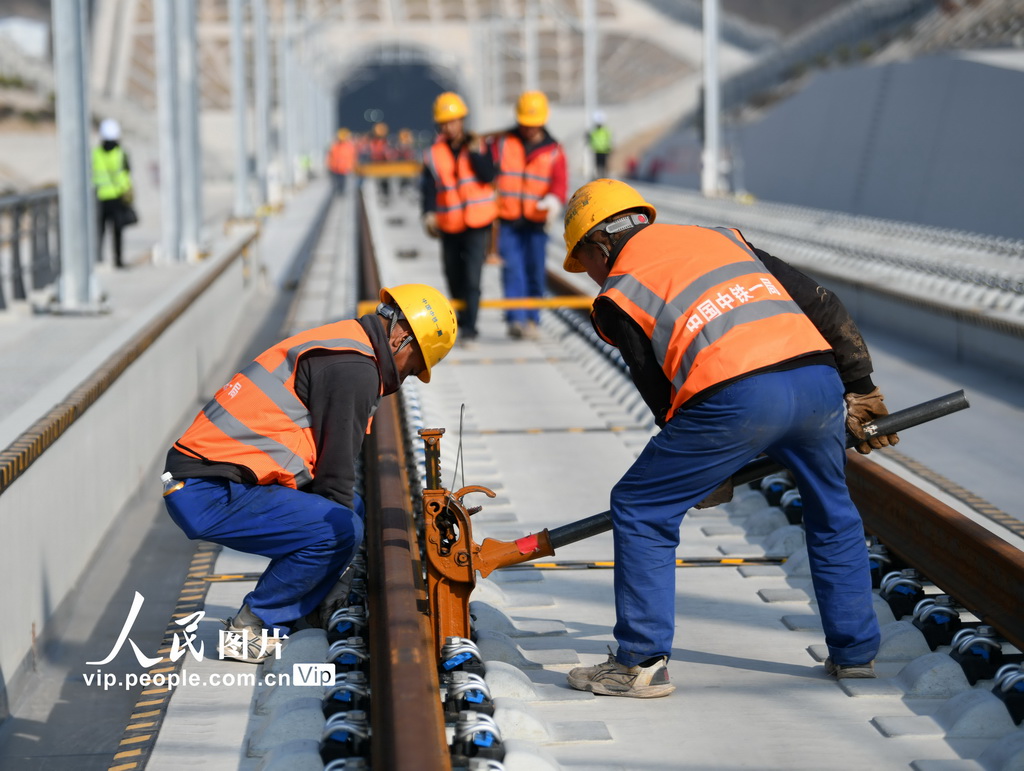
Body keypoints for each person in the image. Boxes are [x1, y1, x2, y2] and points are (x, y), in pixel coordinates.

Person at [560, 179, 899, 698]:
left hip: (735, 396)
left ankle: (640, 662)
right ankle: (855, 655)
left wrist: (704, 467)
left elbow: (658, 389)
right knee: (833, 511)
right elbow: (822, 304)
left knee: (641, 506)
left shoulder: (618, 293)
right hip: (817, 383)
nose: (590, 274)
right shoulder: (723, 237)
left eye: (584, 261)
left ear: (600, 245)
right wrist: (863, 388)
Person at [161, 284, 458, 663]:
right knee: (338, 528)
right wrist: (342, 538)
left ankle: (306, 608)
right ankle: (252, 626)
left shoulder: (350, 345)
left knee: (351, 510)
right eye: (414, 367)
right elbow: (335, 473)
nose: (407, 377)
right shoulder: (355, 370)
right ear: (402, 338)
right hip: (207, 490)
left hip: (218, 476)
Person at [421, 92, 498, 348]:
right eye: (444, 122)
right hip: (449, 223)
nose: (449, 127)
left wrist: (476, 153)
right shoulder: (433, 153)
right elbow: (428, 186)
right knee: (453, 276)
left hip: (477, 223)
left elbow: (488, 176)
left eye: (453, 121)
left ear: (462, 121)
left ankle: (470, 329)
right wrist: (428, 213)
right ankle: (462, 320)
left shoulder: (478, 146)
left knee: (472, 278)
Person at [492, 91, 567, 340]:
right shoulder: (503, 143)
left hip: (537, 223)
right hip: (508, 220)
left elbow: (560, 183)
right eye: (525, 123)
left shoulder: (554, 151)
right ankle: (516, 319)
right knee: (512, 269)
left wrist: (554, 200)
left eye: (533, 124)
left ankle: (532, 319)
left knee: (535, 270)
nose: (529, 129)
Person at [92, 118, 134, 268]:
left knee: (99, 230)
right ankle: (118, 260)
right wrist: (128, 192)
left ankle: (97, 259)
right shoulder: (121, 153)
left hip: (100, 196)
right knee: (117, 231)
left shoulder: (96, 153)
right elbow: (126, 174)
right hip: (117, 196)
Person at [326, 128, 356, 195]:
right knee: (336, 183)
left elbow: (352, 158)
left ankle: (341, 193)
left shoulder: (349, 146)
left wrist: (351, 167)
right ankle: (338, 192)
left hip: (344, 169)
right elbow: (330, 156)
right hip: (335, 168)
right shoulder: (335, 146)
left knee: (342, 183)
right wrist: (329, 165)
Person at [587, 112, 612, 178]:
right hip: (597, 150)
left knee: (604, 164)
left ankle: (604, 176)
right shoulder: (594, 131)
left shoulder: (605, 131)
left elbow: (609, 139)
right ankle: (599, 176)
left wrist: (609, 147)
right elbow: (591, 139)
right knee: (598, 164)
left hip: (604, 150)